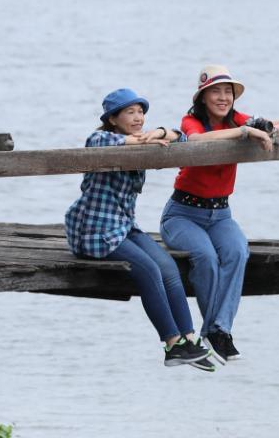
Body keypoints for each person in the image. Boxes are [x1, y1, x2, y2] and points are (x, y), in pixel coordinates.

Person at [65, 87, 214, 371]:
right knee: (148, 269)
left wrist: (159, 133)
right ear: (113, 118)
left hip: (123, 224)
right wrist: (135, 141)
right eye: (130, 112)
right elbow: (95, 140)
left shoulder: (145, 142)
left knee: (168, 267)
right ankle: (172, 345)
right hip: (94, 230)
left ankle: (189, 339)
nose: (138, 118)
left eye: (141, 112)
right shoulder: (103, 139)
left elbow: (181, 138)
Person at [159, 65, 279, 362]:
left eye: (228, 92)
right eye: (216, 91)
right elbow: (194, 141)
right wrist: (246, 132)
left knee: (237, 252)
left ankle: (218, 330)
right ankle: (216, 331)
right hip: (182, 215)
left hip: (220, 215)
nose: (223, 97)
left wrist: (266, 128)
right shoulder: (192, 120)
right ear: (203, 96)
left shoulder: (237, 118)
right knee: (206, 258)